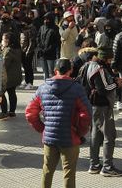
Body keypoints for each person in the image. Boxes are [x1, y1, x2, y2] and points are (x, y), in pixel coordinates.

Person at [26, 58, 92, 188]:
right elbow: (86, 114)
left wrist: (43, 128)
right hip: (70, 137)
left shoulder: (43, 88)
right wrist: (79, 131)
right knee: (69, 173)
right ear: (71, 70)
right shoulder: (77, 89)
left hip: (50, 137)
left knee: (47, 170)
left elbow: (30, 112)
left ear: (55, 70)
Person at [83, 46, 122, 177]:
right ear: (104, 57)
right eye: (110, 58)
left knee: (95, 134)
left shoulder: (90, 65)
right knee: (109, 136)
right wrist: (117, 84)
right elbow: (104, 89)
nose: (111, 61)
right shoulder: (99, 69)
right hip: (102, 105)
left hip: (94, 105)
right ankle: (107, 166)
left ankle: (94, 164)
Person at [0, 32, 23, 120]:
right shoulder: (17, 49)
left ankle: (4, 112)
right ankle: (12, 111)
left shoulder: (8, 50)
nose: (2, 41)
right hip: (15, 75)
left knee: (0, 93)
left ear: (8, 41)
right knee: (12, 92)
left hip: (7, 76)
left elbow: (4, 64)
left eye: (3, 39)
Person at [38, 16, 61, 80]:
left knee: (51, 71)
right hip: (42, 53)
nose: (45, 21)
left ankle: (53, 84)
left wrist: (48, 49)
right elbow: (38, 38)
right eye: (44, 20)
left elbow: (56, 41)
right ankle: (46, 85)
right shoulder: (42, 27)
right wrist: (40, 47)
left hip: (51, 53)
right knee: (45, 72)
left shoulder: (55, 28)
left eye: (47, 20)